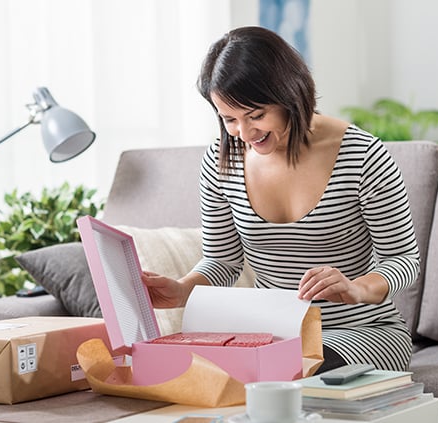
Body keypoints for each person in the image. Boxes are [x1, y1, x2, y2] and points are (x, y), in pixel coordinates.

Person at [141, 26, 420, 373]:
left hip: (361, 333)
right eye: (229, 119)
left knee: (288, 368)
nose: (244, 133)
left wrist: (357, 288)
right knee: (189, 370)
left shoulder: (363, 156)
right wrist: (182, 290)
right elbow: (223, 262)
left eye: (256, 115)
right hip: (274, 336)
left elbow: (404, 259)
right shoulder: (221, 161)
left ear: (290, 94)